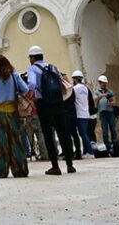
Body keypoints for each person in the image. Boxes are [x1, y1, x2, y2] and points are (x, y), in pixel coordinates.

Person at [27, 46, 76, 175]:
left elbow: (31, 84)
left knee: (48, 135)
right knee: (63, 132)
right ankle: (70, 165)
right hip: (58, 102)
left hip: (44, 104)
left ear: (32, 58)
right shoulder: (53, 67)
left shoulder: (33, 69)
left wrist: (30, 94)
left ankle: (55, 166)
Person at [0, 54, 30, 178]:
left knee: (1, 142)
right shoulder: (14, 75)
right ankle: (20, 169)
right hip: (13, 112)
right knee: (16, 142)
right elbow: (25, 89)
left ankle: (1, 170)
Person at [72, 71, 94, 157]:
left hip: (79, 114)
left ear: (76, 79)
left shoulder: (75, 88)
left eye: (73, 78)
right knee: (85, 134)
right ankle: (86, 152)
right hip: (86, 113)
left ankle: (90, 152)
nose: (72, 80)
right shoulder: (85, 88)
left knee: (83, 134)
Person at [61, 72, 82, 161]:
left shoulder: (63, 90)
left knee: (68, 135)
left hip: (66, 114)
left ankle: (69, 153)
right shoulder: (72, 89)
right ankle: (78, 152)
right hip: (72, 113)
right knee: (74, 134)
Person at [95, 75, 118, 150]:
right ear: (99, 83)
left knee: (113, 129)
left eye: (105, 83)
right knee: (104, 130)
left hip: (110, 112)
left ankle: (115, 143)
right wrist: (101, 95)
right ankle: (107, 145)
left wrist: (111, 103)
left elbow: (114, 102)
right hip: (102, 113)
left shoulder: (110, 91)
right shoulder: (97, 92)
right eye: (103, 83)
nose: (104, 85)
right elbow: (94, 100)